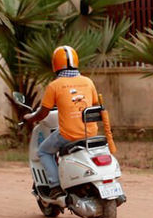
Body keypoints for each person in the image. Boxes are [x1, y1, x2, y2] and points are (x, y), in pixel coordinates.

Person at [23, 45, 100, 197]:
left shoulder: (55, 86)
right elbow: (95, 105)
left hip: (68, 135)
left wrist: (30, 118)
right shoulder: (88, 82)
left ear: (55, 64)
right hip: (90, 133)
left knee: (43, 151)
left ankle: (55, 186)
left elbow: (43, 113)